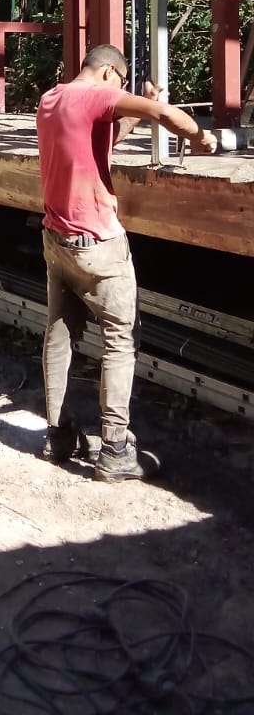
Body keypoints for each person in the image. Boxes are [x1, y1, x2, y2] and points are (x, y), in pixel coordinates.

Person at [36, 43, 217, 482]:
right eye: (121, 85)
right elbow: (168, 118)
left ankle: (58, 436)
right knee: (121, 338)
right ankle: (115, 448)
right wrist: (199, 137)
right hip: (98, 245)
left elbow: (106, 137)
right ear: (111, 75)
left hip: (57, 239)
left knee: (60, 334)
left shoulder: (52, 99)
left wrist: (146, 103)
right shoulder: (97, 94)